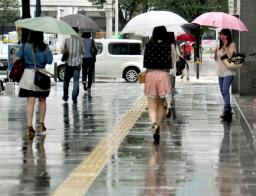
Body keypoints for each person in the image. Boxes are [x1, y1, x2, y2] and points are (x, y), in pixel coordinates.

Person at [17, 30, 53, 138]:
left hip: (28, 76)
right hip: (41, 76)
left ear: (30, 35)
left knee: (30, 102)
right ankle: (41, 124)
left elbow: (17, 57)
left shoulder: (25, 46)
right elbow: (50, 60)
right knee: (42, 100)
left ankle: (29, 126)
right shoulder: (45, 47)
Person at [143, 26, 172, 145]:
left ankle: (154, 123)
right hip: (163, 75)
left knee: (151, 105)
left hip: (150, 74)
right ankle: (158, 127)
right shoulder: (168, 46)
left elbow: (145, 62)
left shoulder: (148, 46)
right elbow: (170, 63)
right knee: (160, 105)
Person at [214, 29, 237, 120]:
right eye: (221, 34)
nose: (222, 36)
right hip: (220, 72)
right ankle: (229, 109)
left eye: (224, 35)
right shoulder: (218, 45)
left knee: (225, 90)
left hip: (229, 71)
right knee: (222, 91)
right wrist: (215, 54)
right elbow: (217, 60)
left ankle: (226, 110)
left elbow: (230, 57)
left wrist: (225, 48)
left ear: (228, 36)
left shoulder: (232, 45)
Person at [61, 27, 83, 104]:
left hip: (68, 63)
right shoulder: (80, 40)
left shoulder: (66, 40)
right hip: (77, 63)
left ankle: (65, 96)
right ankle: (74, 98)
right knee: (76, 81)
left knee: (66, 81)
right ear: (77, 32)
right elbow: (83, 52)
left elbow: (62, 51)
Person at [165, 32, 177, 118]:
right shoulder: (173, 46)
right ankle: (169, 104)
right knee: (170, 89)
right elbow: (175, 58)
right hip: (173, 71)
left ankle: (166, 104)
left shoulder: (163, 45)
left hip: (165, 70)